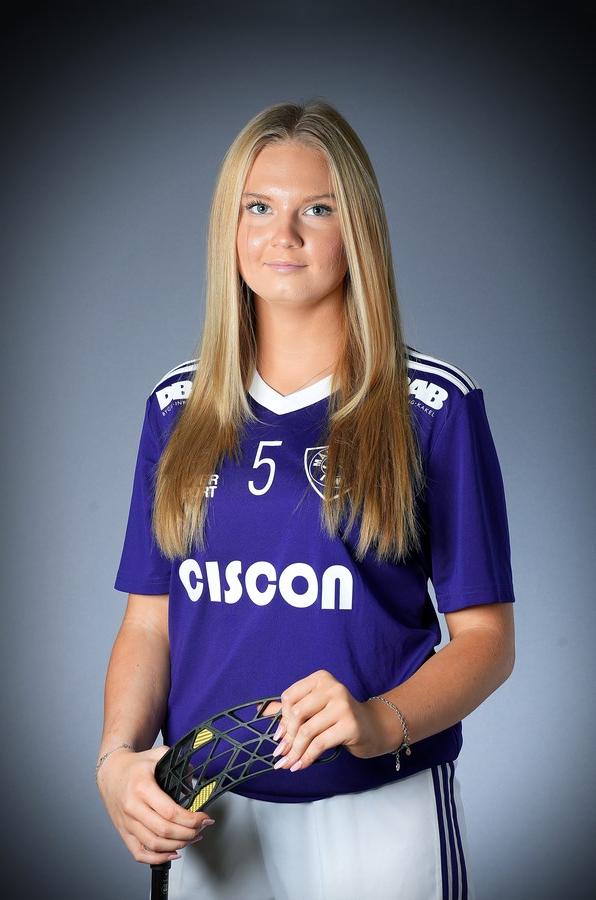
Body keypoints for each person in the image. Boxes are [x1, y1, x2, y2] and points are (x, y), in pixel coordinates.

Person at [96, 100, 515, 900]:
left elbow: (487, 640)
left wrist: (380, 721)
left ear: (358, 232)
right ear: (229, 226)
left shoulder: (432, 405)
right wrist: (117, 761)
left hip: (377, 804)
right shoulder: (176, 408)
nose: (281, 235)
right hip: (209, 810)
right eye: (258, 207)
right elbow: (148, 622)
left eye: (316, 210)